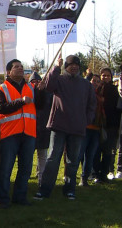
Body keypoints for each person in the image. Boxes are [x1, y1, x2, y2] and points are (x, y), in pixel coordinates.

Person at [34, 55, 96, 200]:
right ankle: (45, 189)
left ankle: (69, 189)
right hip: (58, 126)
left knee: (72, 160)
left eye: (76, 64)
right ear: (65, 67)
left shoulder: (86, 85)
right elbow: (48, 86)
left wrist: (86, 120)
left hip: (77, 128)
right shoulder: (59, 80)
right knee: (52, 158)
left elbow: (92, 104)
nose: (73, 67)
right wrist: (56, 67)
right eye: (70, 65)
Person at [0, 59, 36, 208]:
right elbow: (1, 109)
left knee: (25, 169)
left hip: (29, 133)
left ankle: (20, 197)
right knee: (6, 169)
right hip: (10, 134)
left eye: (21, 67)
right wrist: (21, 101)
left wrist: (42, 91)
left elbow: (42, 105)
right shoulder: (1, 88)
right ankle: (3, 199)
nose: (20, 69)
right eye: (16, 67)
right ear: (8, 71)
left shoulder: (31, 87)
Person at [95, 67, 122, 183]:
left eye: (108, 75)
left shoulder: (115, 90)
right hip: (97, 124)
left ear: (111, 77)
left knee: (107, 152)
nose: (105, 77)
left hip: (110, 125)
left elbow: (118, 109)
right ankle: (96, 173)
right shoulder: (96, 89)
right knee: (96, 151)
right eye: (103, 75)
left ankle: (105, 173)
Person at [78, 72, 104, 186]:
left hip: (96, 129)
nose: (96, 83)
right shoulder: (84, 93)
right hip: (85, 127)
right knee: (79, 154)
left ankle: (85, 177)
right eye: (94, 81)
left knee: (90, 155)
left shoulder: (101, 96)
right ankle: (72, 177)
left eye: (98, 82)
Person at [30, 72, 52, 186]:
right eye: (33, 82)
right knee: (28, 155)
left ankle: (41, 178)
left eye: (37, 81)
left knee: (42, 154)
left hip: (43, 128)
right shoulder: (28, 94)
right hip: (30, 129)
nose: (36, 84)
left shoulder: (47, 94)